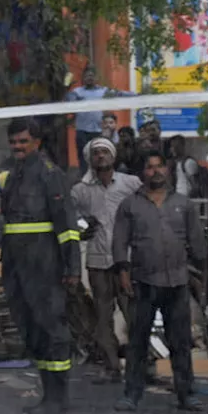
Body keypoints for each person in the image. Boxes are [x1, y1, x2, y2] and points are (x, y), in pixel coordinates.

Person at [112, 149, 207, 412]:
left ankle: (186, 394)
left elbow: (197, 243)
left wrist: (202, 274)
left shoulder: (183, 204)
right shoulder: (130, 205)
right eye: (150, 167)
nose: (155, 172)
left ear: (167, 170)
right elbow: (119, 241)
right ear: (143, 173)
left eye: (159, 167)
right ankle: (131, 394)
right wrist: (123, 272)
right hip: (143, 282)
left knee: (181, 341)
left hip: (177, 282)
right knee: (137, 342)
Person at [0, 118, 81, 414]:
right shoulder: (13, 176)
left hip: (44, 264)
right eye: (14, 142)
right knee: (32, 330)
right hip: (19, 267)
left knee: (52, 330)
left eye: (23, 141)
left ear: (37, 142)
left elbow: (67, 226)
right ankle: (49, 395)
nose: (18, 147)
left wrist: (72, 268)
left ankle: (59, 397)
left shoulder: (50, 175)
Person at [70, 137, 141, 383]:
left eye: (105, 152)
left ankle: (138, 367)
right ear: (90, 158)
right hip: (98, 261)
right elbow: (71, 220)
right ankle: (112, 368)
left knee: (134, 315)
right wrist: (81, 230)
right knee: (103, 316)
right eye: (96, 153)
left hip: (128, 260)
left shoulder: (131, 184)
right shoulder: (80, 190)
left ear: (113, 156)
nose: (101, 156)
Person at [64, 66, 135, 174]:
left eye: (91, 76)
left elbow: (119, 94)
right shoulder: (77, 92)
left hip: (98, 131)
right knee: (84, 158)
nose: (89, 78)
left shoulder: (103, 91)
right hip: (82, 131)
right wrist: (66, 86)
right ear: (83, 78)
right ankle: (85, 180)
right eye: (87, 76)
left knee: (99, 157)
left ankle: (99, 178)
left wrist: (136, 96)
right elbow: (67, 103)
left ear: (96, 78)